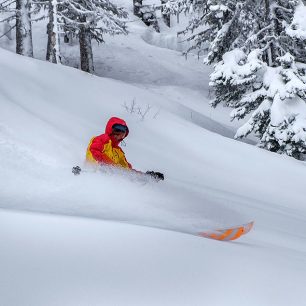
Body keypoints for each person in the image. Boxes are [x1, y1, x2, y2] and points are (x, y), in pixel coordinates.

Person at [72, 117, 164, 180]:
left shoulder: (119, 152)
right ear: (110, 130)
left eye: (122, 133)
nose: (118, 135)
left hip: (111, 180)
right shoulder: (102, 139)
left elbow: (127, 171)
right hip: (94, 174)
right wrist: (110, 165)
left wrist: (146, 176)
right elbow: (94, 151)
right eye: (116, 131)